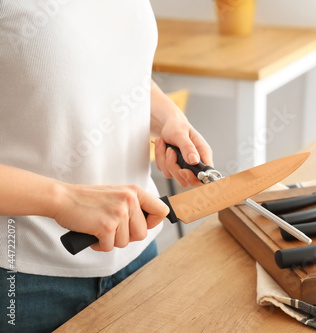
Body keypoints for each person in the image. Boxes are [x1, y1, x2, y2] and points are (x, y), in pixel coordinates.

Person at [0, 1, 213, 331]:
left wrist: (169, 117)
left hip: (140, 256)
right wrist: (62, 200)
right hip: (24, 282)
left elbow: (111, 68)